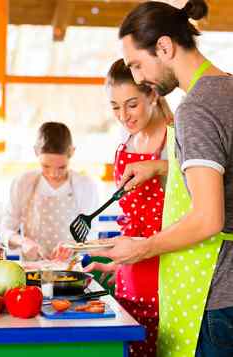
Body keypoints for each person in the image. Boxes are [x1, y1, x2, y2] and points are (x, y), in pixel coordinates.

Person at [91, 1, 233, 357]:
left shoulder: (196, 109)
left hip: (216, 298)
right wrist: (160, 168)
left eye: (138, 64)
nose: (138, 79)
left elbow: (208, 218)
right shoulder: (228, 90)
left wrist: (140, 247)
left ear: (165, 47)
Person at [85, 58, 172, 357]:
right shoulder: (125, 146)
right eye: (115, 107)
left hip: (168, 281)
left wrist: (161, 167)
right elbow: (133, 223)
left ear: (153, 94)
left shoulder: (177, 139)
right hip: (129, 281)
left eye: (131, 104)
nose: (123, 116)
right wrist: (117, 263)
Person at [0, 122, 99, 262]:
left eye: (61, 167)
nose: (53, 174)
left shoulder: (85, 185)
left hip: (70, 273)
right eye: (45, 166)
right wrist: (23, 242)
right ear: (36, 152)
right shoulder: (23, 183)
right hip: (31, 271)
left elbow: (92, 235)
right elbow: (6, 230)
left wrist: (73, 247)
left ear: (72, 152)